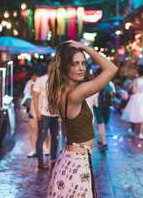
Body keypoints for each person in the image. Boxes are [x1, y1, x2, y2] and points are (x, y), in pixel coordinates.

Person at [47, 40, 117, 198]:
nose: (81, 68)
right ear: (65, 67)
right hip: (76, 164)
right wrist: (85, 47)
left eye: (83, 63)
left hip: (73, 160)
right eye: (75, 63)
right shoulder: (76, 93)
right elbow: (111, 69)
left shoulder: (65, 90)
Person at [33, 63, 60, 170]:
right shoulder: (41, 80)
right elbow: (35, 96)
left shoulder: (60, 81)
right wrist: (37, 112)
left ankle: (53, 158)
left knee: (55, 137)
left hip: (56, 114)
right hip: (44, 113)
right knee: (42, 137)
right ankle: (40, 161)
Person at [21, 72, 40, 158]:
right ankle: (34, 150)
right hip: (31, 110)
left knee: (44, 131)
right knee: (33, 129)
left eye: (35, 75)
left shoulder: (42, 82)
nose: (33, 77)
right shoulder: (29, 82)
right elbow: (26, 94)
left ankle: (46, 148)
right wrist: (31, 90)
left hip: (41, 110)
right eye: (32, 76)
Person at [96, 81, 115, 152]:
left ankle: (104, 143)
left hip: (99, 106)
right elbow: (113, 94)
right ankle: (101, 140)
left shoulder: (98, 83)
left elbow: (95, 97)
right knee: (104, 125)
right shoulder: (111, 84)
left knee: (101, 124)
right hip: (108, 107)